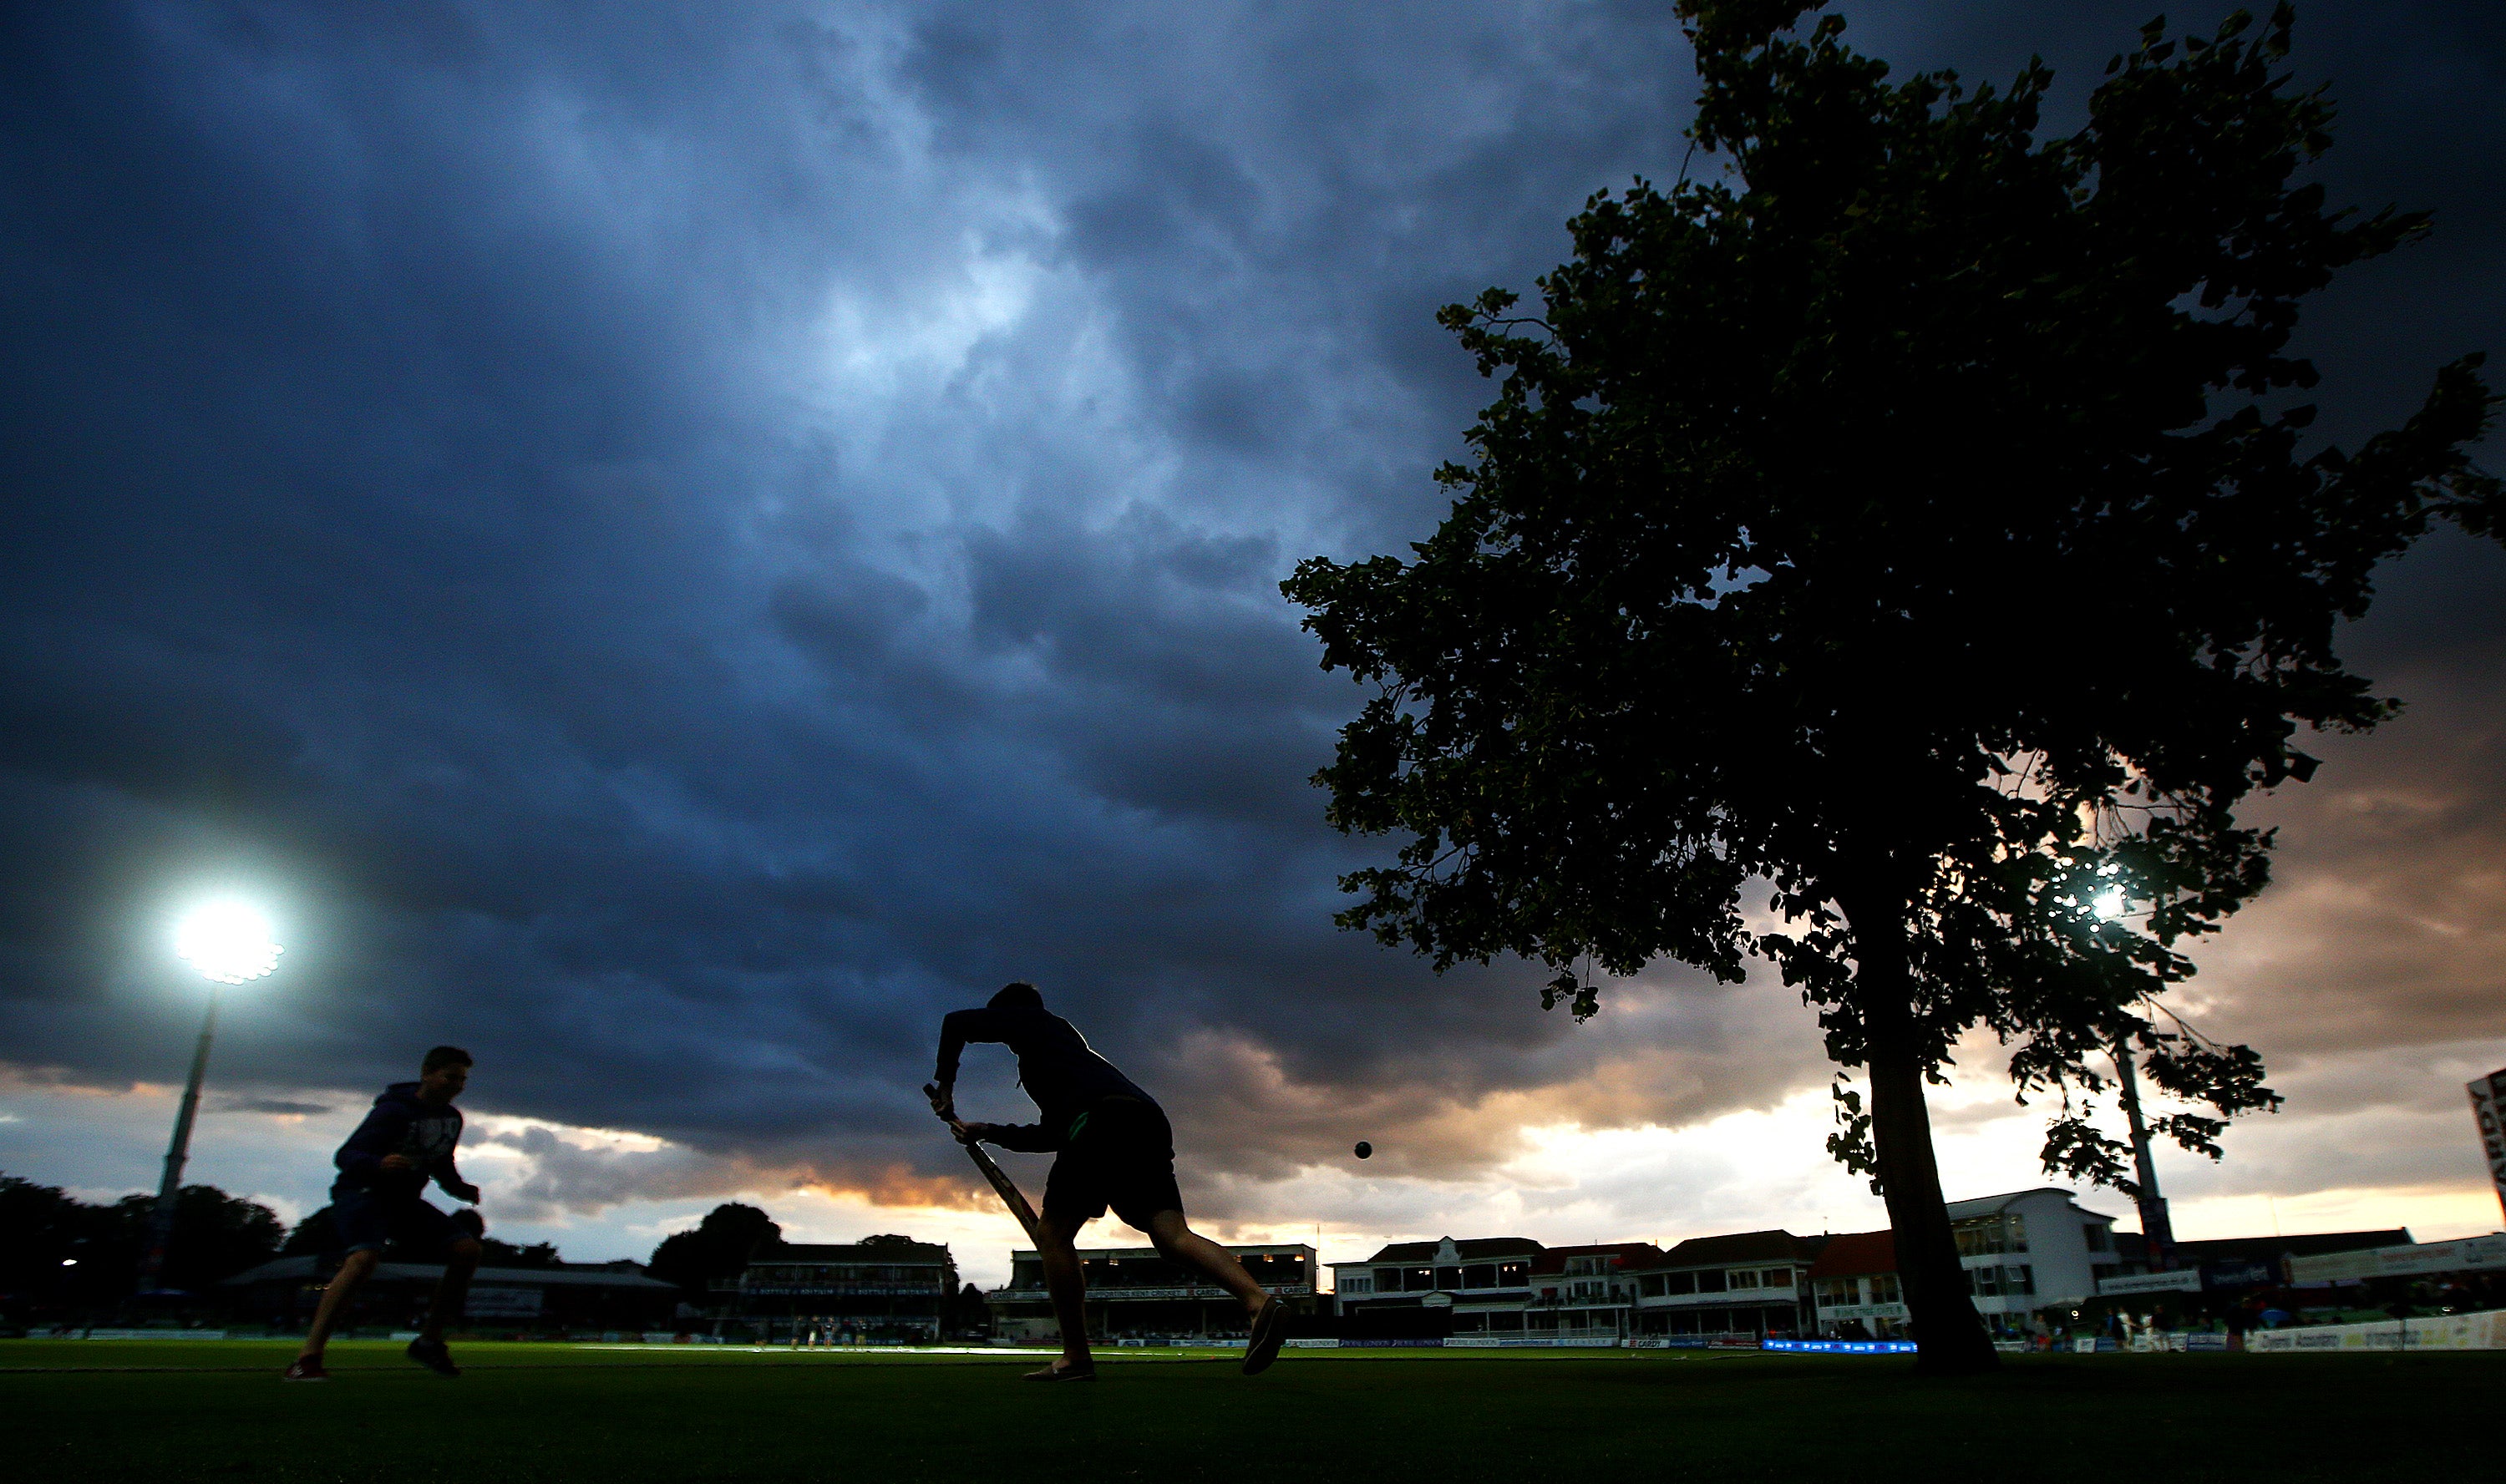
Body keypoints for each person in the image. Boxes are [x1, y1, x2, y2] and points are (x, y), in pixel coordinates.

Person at [931, 982, 1291, 1381]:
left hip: (1101, 1121)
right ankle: (1259, 1302)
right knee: (1172, 1236)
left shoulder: (1033, 1022)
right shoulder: (1060, 1056)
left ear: (1007, 1015)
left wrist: (945, 1087)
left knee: (1052, 1235)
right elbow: (1054, 1135)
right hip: (1144, 1121)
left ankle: (1076, 1358)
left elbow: (955, 1023)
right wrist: (987, 1130)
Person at [284, 1046, 484, 1380]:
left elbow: (439, 1161)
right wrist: (378, 1163)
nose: (457, 1086)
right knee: (363, 1259)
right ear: (427, 1074)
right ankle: (307, 1357)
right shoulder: (393, 1111)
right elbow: (346, 1155)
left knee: (467, 1250)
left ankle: (429, 1342)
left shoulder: (451, 1119)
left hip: (404, 1200)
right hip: (364, 1194)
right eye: (451, 1077)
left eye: (462, 1079)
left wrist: (459, 1188)